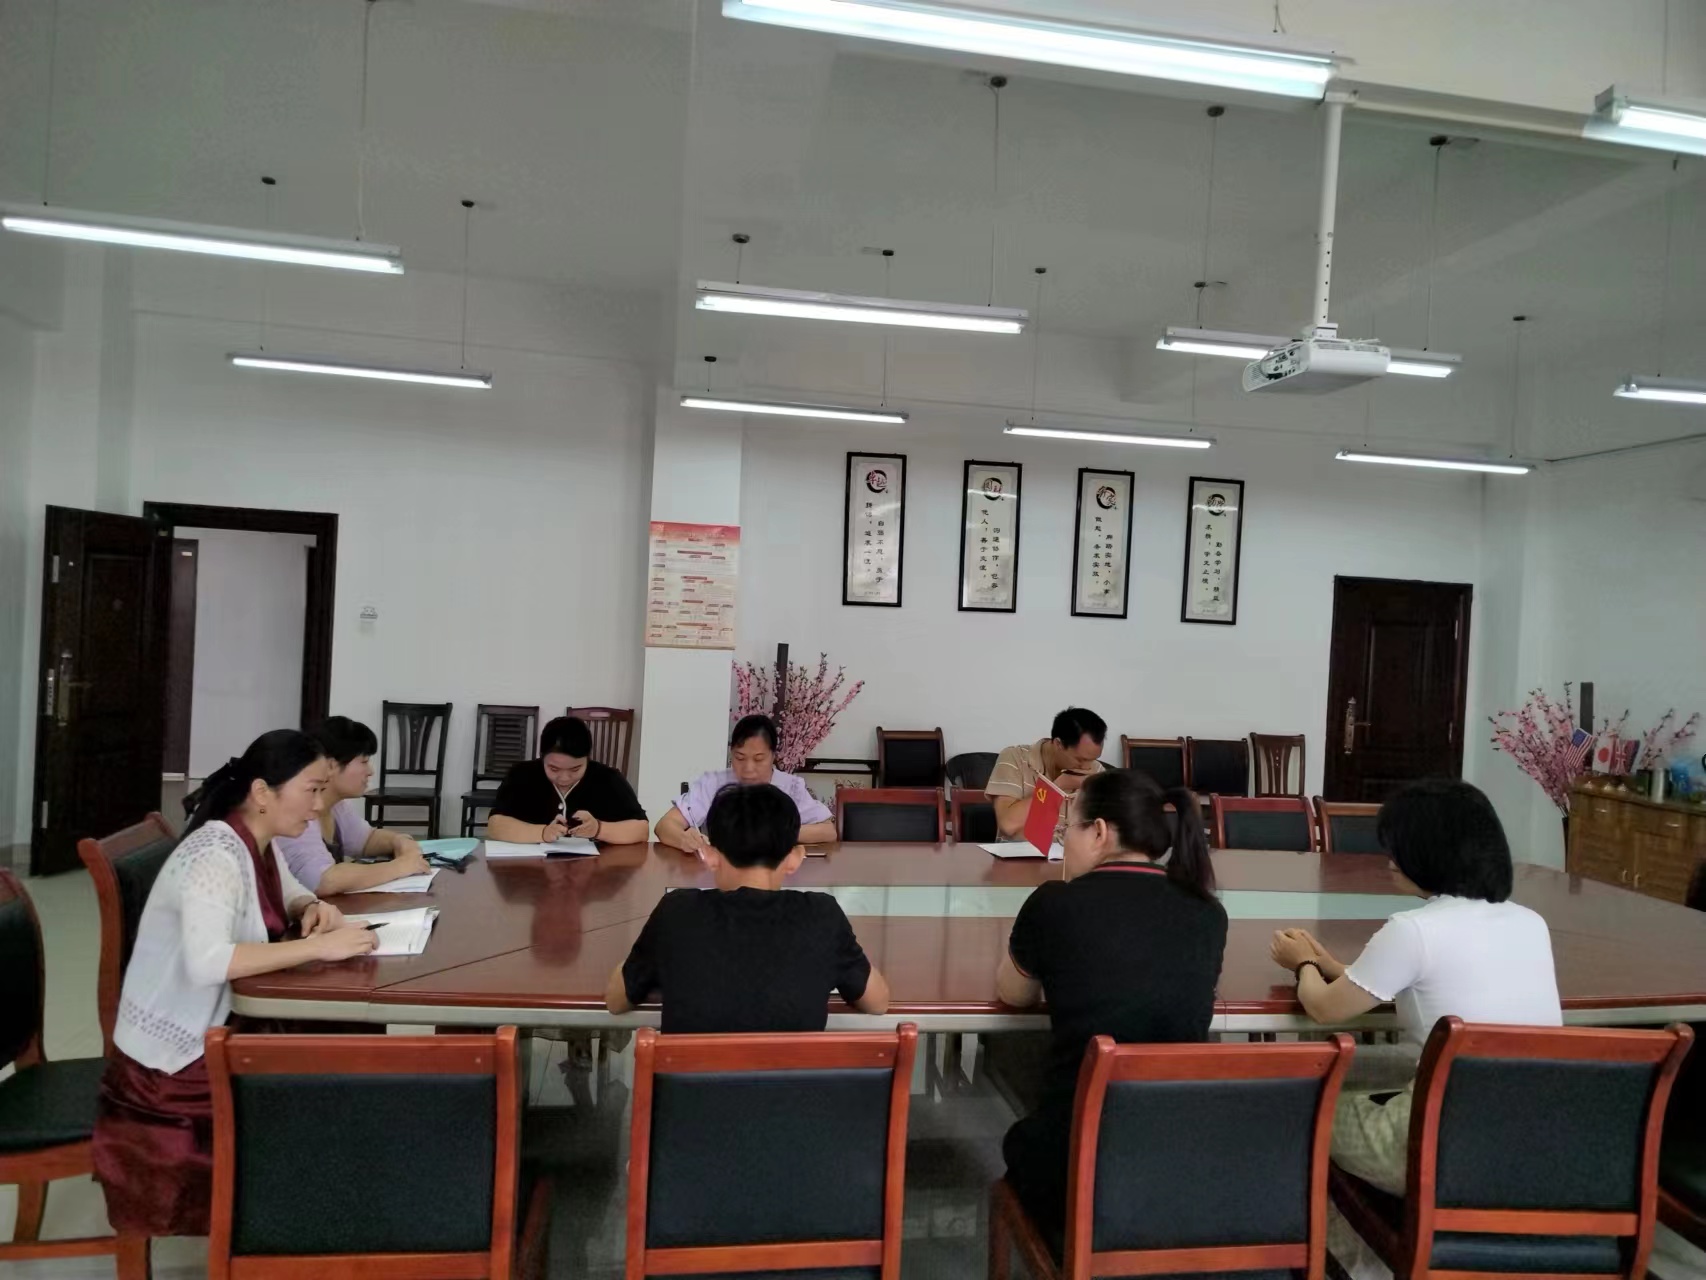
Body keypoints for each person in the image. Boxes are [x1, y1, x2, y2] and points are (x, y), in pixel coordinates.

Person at [92, 730, 379, 1238]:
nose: (319, 806)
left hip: (224, 1022)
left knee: (350, 1037)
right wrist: (319, 947)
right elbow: (208, 960)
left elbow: (289, 891)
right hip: (176, 1063)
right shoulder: (215, 854)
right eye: (312, 790)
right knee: (335, 1061)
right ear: (263, 792)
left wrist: (312, 906)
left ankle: (332, 1201)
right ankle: (297, 1217)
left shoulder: (256, 840)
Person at [1269, 778, 1561, 1207]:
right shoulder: (1530, 923)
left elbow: (1323, 1009)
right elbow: (1429, 982)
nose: (1389, 860)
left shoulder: (1413, 930)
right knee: (1378, 1075)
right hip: (1527, 1146)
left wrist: (1303, 964)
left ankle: (1300, 1224)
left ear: (1432, 852)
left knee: (1298, 1099)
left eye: (1399, 847)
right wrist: (1334, 966)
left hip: (1431, 1147)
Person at [995, 768, 1226, 1236]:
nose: (1065, 840)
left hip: (1075, 1160)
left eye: (1069, 828)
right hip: (1179, 1155)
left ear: (1099, 832)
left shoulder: (1054, 902)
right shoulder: (1207, 911)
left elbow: (1013, 994)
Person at [609, 782, 890, 1031]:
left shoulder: (676, 913)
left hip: (695, 1077)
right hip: (793, 1076)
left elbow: (616, 1000)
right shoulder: (822, 915)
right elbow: (878, 1001)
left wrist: (653, 950)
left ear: (709, 855)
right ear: (795, 858)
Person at [273, 716, 432, 893]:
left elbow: (366, 840)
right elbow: (322, 880)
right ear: (331, 766)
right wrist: (399, 867)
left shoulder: (337, 805)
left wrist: (400, 841)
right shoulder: (299, 810)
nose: (370, 771)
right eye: (364, 762)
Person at [656, 714, 836, 853]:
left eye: (759, 759)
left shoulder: (791, 787)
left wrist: (778, 834)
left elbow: (828, 831)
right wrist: (684, 839)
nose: (748, 768)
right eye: (740, 758)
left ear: (773, 756)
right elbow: (665, 825)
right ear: (731, 753)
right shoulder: (713, 784)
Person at [486, 716, 649, 845]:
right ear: (542, 757)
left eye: (575, 769)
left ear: (587, 758)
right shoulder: (521, 774)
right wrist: (542, 833)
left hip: (593, 872)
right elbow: (495, 825)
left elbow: (642, 830)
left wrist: (599, 829)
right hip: (532, 871)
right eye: (554, 769)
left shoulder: (608, 778)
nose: (564, 778)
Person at [985, 707, 1108, 843]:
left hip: (1071, 855)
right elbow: (1008, 825)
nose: (1087, 767)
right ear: (1058, 744)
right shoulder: (1015, 758)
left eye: (1093, 759)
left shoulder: (1097, 771)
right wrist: (1057, 787)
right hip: (1018, 854)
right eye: (1080, 759)